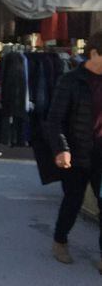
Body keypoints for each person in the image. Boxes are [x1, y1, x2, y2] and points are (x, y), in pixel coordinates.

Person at [43, 31, 102, 271]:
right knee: (73, 201)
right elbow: (54, 120)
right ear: (94, 53)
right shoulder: (71, 80)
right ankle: (60, 240)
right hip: (76, 154)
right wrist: (62, 149)